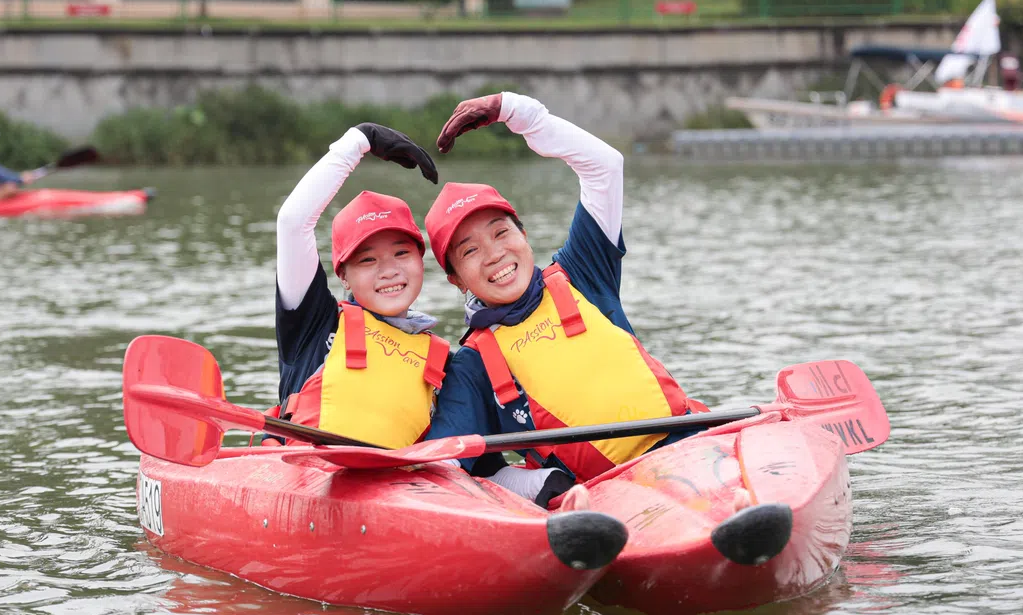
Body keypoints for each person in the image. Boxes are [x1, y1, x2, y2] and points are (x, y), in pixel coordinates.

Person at [423, 92, 705, 503]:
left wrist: (516, 111)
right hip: (609, 499)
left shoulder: (582, 271)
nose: (495, 254)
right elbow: (443, 465)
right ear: (455, 280)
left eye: (502, 233)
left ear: (524, 236)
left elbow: (604, 166)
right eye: (469, 251)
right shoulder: (471, 365)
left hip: (694, 446)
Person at [273, 122, 447, 449]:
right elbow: (292, 222)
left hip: (399, 492)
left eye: (401, 253)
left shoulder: (443, 361)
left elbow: (472, 464)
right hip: (307, 479)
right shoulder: (313, 321)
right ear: (343, 275)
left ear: (420, 260)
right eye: (368, 260)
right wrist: (360, 140)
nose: (389, 270)